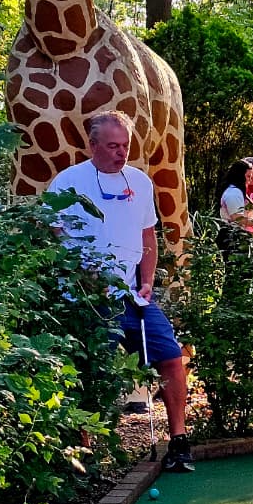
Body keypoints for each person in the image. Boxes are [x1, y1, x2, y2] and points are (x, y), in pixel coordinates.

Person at [47, 110, 194, 473]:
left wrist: (147, 280)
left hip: (133, 297)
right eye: (112, 146)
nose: (121, 152)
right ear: (92, 145)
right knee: (90, 372)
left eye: (125, 145)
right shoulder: (68, 181)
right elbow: (54, 233)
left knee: (172, 359)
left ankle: (178, 441)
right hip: (86, 300)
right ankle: (83, 454)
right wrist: (82, 272)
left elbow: (147, 234)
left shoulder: (140, 182)